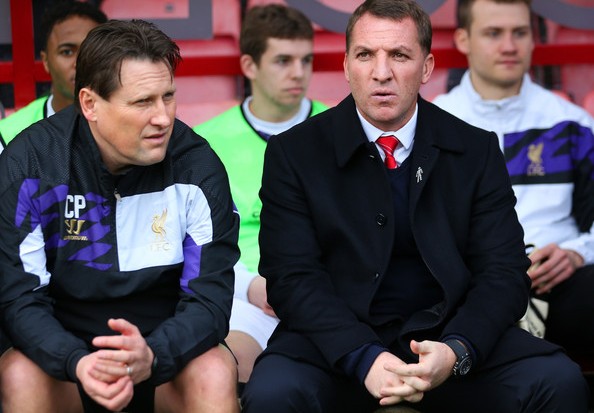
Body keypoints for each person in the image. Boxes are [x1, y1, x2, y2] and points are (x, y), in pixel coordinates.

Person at [240, 0, 589, 412]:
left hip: (449, 342)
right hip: (334, 347)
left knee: (557, 382)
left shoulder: (475, 150)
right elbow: (292, 278)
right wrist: (362, 356)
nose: (381, 72)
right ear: (347, 66)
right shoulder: (295, 153)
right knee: (273, 395)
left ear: (426, 68)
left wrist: (458, 350)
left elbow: (503, 273)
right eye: (365, 55)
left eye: (399, 55)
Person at [0, 19, 240, 413]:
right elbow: (18, 298)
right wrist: (76, 361)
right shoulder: (33, 165)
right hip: (66, 359)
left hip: (163, 357)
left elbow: (209, 301)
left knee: (213, 371)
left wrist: (154, 355)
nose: (163, 117)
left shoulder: (196, 167)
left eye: (168, 96)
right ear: (90, 104)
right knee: (18, 373)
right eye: (143, 102)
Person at [432, 0, 594, 361]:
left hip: (560, 287)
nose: (509, 46)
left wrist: (577, 253)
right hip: (465, 295)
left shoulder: (572, 124)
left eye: (519, 33)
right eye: (493, 33)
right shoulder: (433, 126)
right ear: (463, 39)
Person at [194, 4, 327, 383]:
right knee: (226, 366)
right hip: (245, 297)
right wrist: (251, 286)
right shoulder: (205, 142)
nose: (298, 73)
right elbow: (193, 243)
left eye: (306, 60)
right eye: (283, 60)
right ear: (249, 66)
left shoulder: (343, 129)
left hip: (327, 294)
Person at [0, 0, 107, 149]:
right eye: (67, 52)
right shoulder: (9, 135)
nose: (79, 63)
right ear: (45, 61)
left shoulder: (130, 122)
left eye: (91, 50)